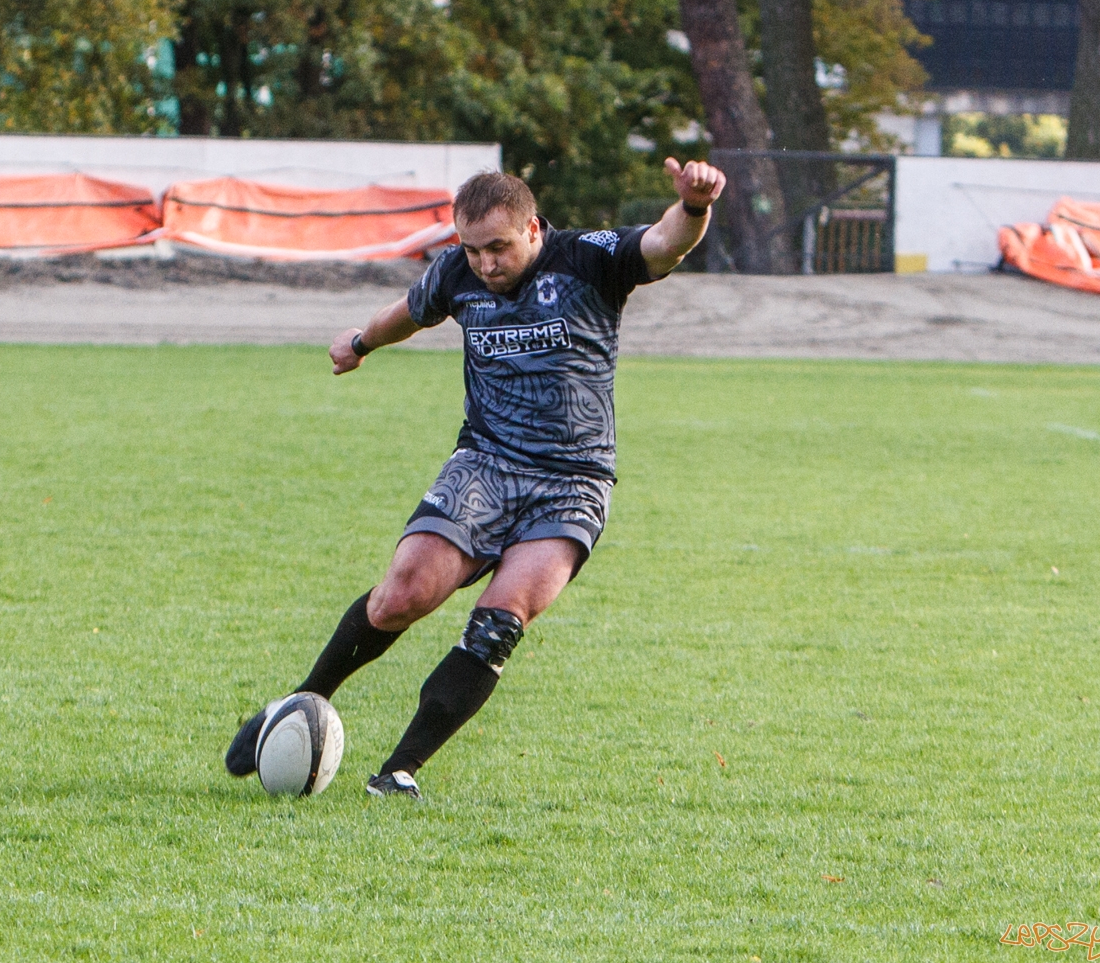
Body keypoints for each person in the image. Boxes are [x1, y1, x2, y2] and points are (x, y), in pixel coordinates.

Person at [226, 157, 727, 798]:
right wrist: (360, 341)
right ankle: (300, 702)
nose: (485, 264)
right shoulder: (459, 272)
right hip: (485, 464)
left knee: (498, 623)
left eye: (498, 247)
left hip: (572, 480)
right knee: (399, 595)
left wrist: (693, 206)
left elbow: (664, 244)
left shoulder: (589, 259)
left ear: (534, 230)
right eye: (472, 249)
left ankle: (398, 771)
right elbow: (411, 310)